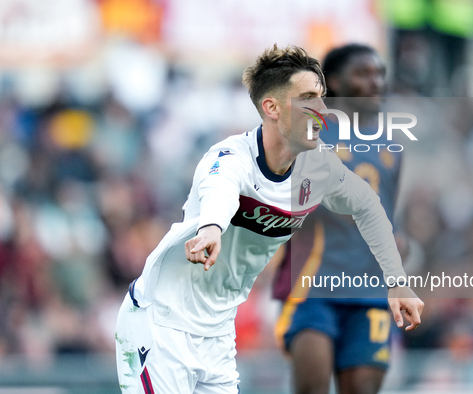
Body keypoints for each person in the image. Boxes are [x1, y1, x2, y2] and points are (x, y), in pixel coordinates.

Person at [115, 44, 423, 394]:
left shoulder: (319, 168)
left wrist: (397, 281)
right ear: (272, 107)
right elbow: (220, 190)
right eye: (308, 98)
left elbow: (369, 208)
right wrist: (212, 228)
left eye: (322, 98)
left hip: (217, 331)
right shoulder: (230, 157)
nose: (322, 109)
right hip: (162, 320)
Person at [273, 44, 408, 394]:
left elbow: (388, 213)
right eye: (363, 73)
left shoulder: (392, 144)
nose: (375, 82)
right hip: (314, 285)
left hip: (372, 291)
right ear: (334, 80)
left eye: (379, 74)